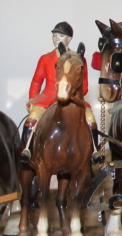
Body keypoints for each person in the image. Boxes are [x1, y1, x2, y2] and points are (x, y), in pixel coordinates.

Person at [20, 21, 104, 164]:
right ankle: (26, 149)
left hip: (71, 98)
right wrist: (32, 99)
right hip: (48, 97)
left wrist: (71, 94)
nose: (56, 39)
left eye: (60, 35)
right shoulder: (45, 59)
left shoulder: (79, 59)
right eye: (53, 36)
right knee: (33, 116)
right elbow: (36, 81)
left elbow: (84, 86)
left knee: (90, 117)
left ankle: (94, 151)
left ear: (69, 39)